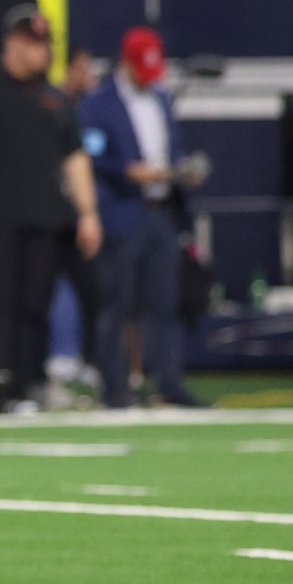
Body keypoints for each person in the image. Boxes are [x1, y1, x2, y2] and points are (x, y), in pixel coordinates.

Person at [0, 6, 104, 415]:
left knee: (35, 303)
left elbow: (75, 157)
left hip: (45, 218)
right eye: (35, 44)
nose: (44, 52)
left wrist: (87, 212)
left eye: (46, 44)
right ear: (13, 43)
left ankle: (30, 381)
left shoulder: (53, 98)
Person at [82, 28, 208, 409]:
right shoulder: (100, 102)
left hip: (160, 212)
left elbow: (173, 146)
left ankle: (170, 384)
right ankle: (116, 388)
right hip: (122, 209)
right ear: (126, 64)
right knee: (118, 304)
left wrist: (183, 169)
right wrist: (125, 170)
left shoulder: (161, 99)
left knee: (164, 303)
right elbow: (89, 149)